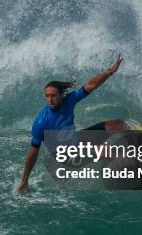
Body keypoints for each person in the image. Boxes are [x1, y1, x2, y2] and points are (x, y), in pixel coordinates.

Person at [15, 53, 125, 192]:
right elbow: (33, 153)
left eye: (53, 96)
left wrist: (109, 72)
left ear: (61, 95)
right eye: (47, 96)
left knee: (117, 124)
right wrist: (24, 180)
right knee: (106, 150)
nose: (50, 100)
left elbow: (91, 85)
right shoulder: (41, 122)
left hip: (77, 140)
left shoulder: (69, 100)